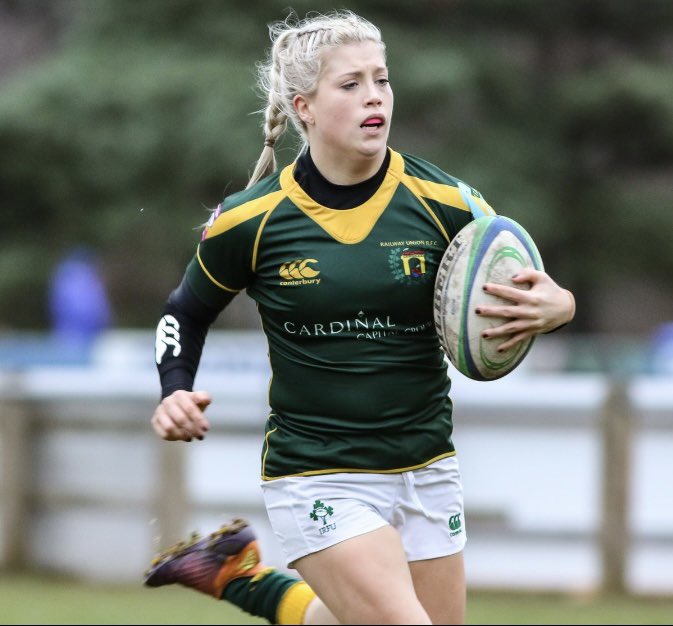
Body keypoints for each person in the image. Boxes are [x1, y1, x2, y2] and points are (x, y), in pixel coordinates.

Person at [144, 9, 575, 625]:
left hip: (428, 463)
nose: (374, 97)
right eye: (351, 85)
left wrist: (560, 307)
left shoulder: (447, 202)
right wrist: (172, 390)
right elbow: (184, 312)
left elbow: (530, 285)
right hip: (316, 471)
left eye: (382, 79)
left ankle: (237, 575)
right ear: (304, 108)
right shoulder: (251, 220)